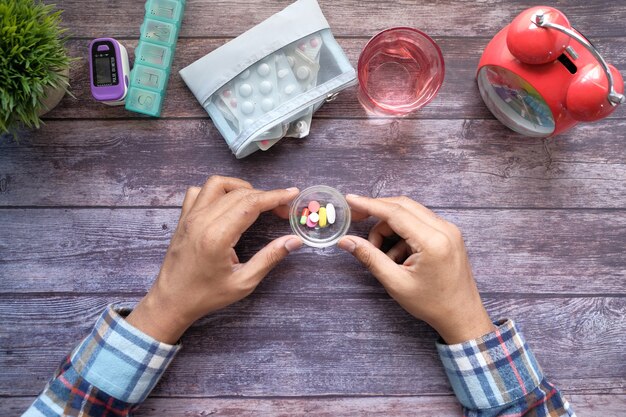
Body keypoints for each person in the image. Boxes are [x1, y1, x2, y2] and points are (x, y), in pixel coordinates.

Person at [23, 176, 575, 417]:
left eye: (315, 216)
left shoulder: (323, 217)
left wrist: (164, 306)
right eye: (313, 216)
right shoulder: (310, 216)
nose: (315, 217)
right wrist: (469, 323)